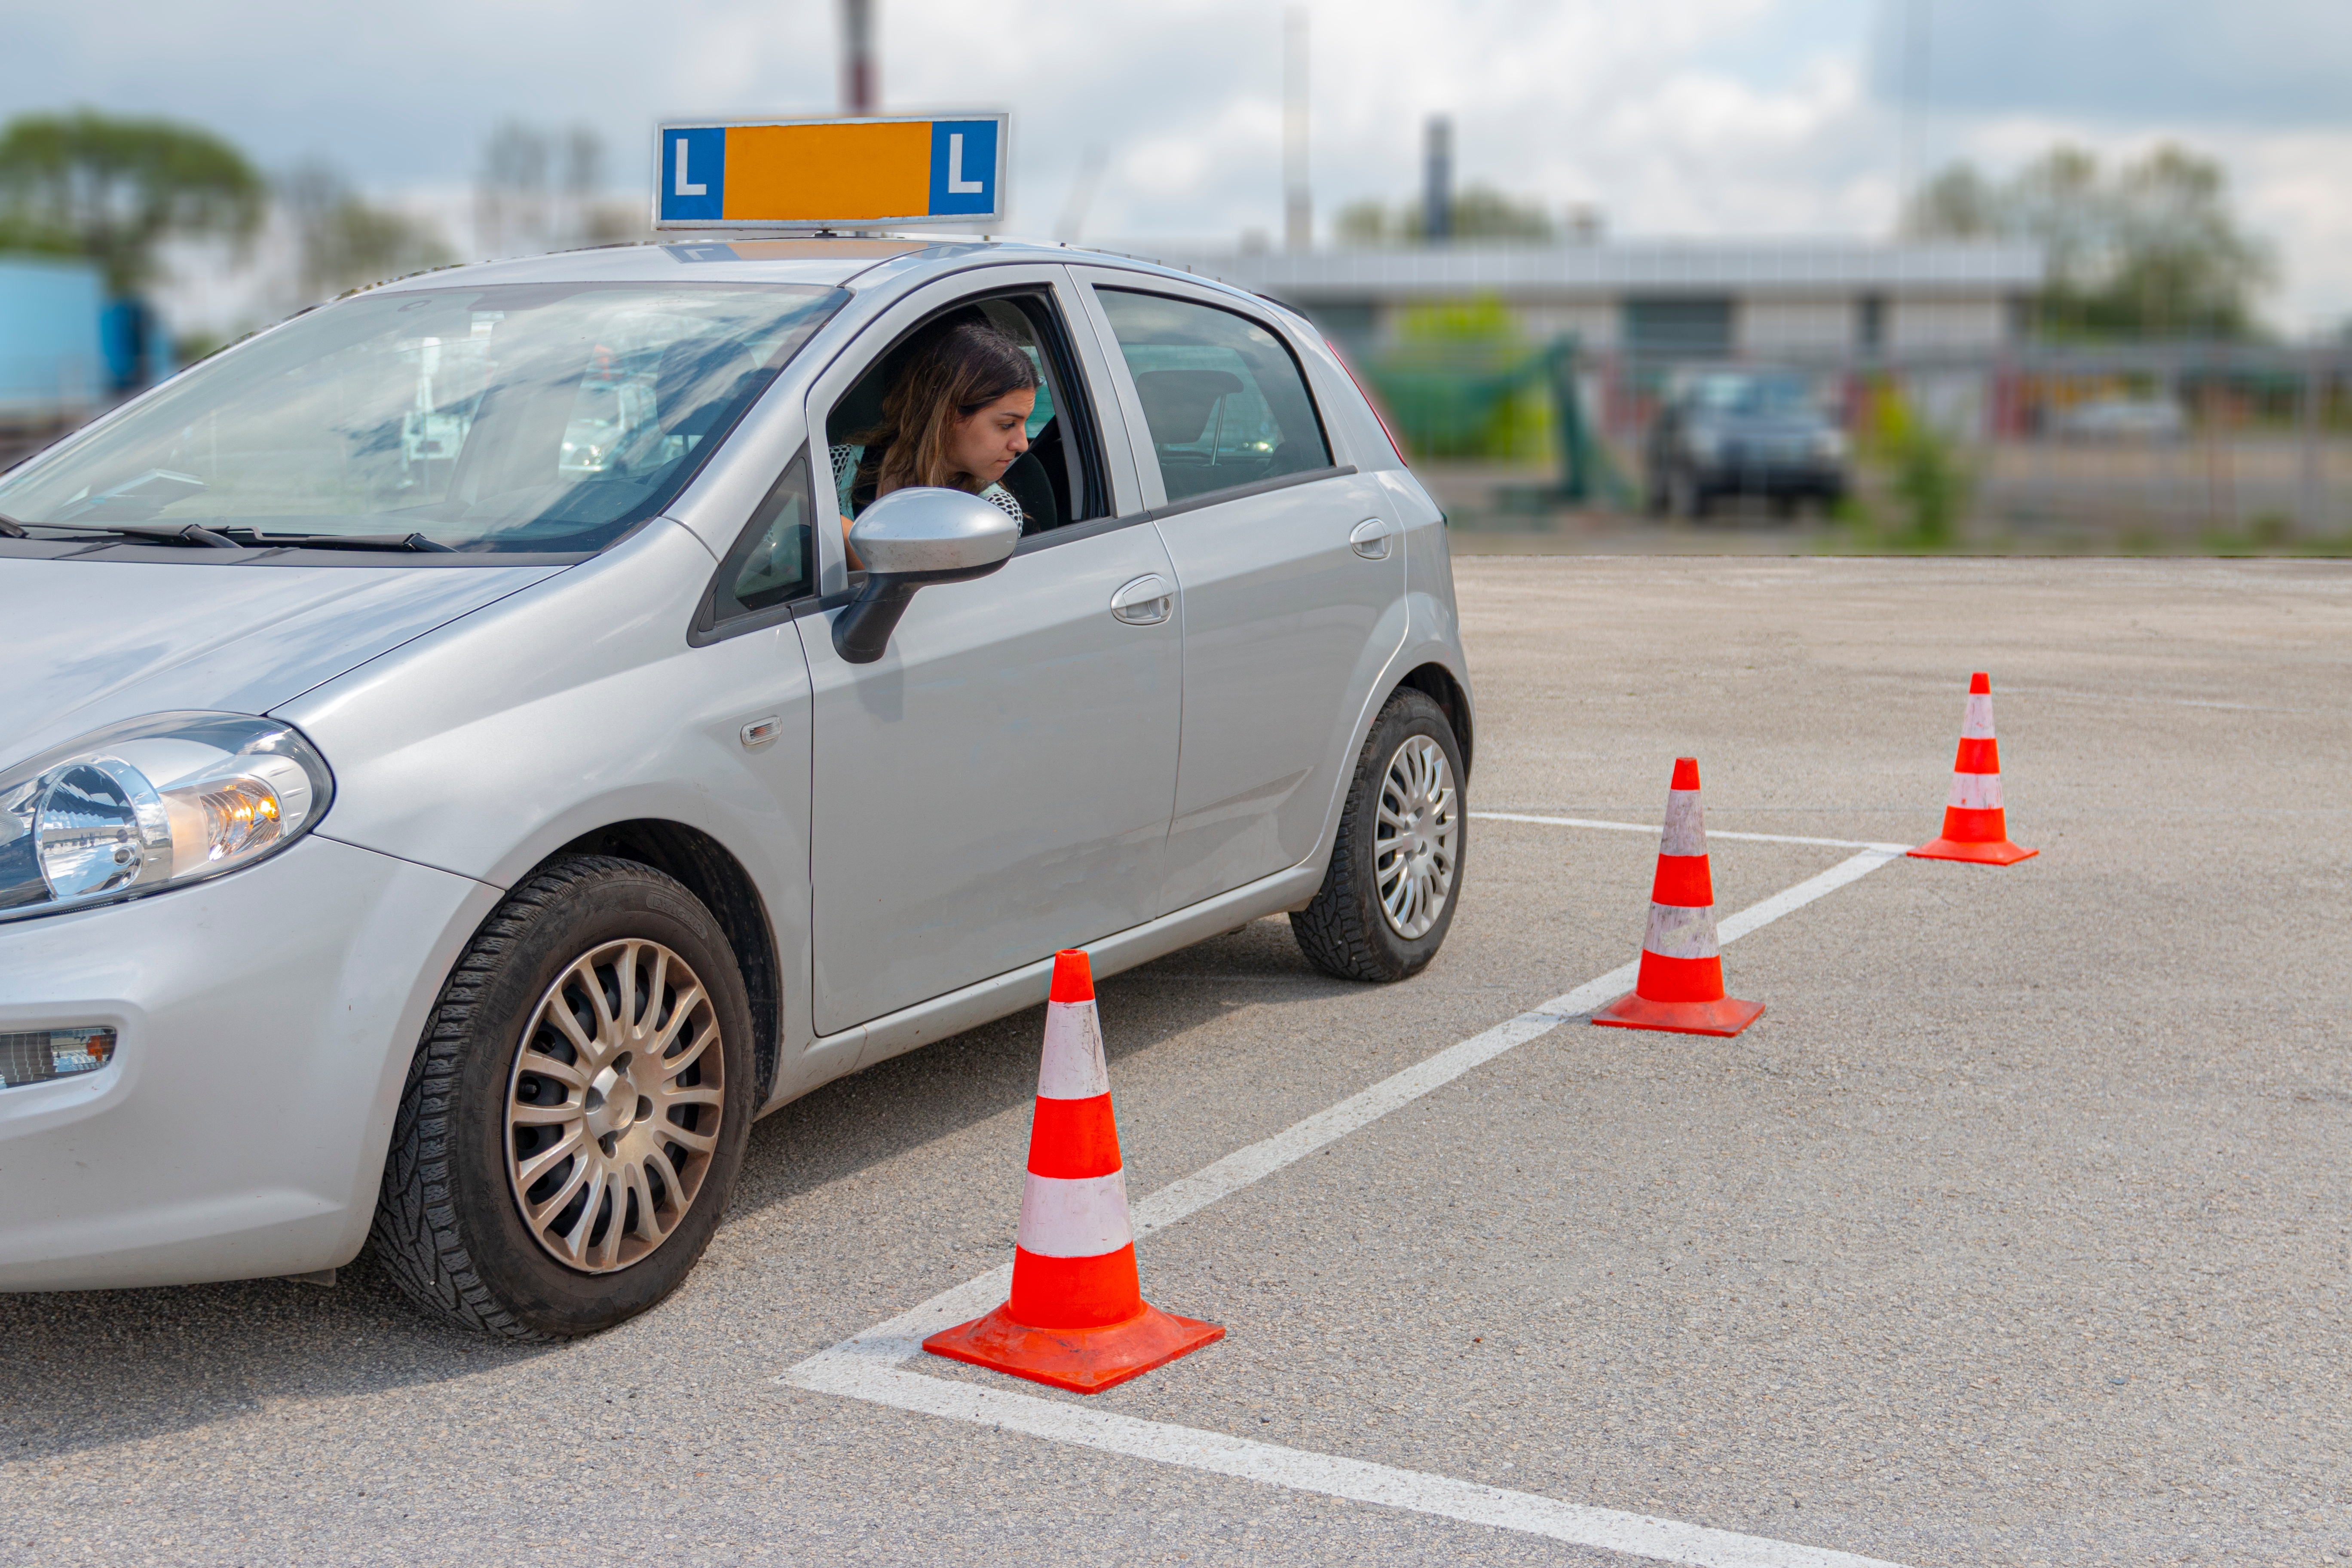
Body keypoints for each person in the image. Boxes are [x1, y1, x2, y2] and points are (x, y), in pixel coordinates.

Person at [830, 320, 1038, 560]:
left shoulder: (995, 512)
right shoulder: (837, 466)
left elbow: (923, 586)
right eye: (1007, 425)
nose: (1022, 444)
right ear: (947, 414)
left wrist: (835, 530)